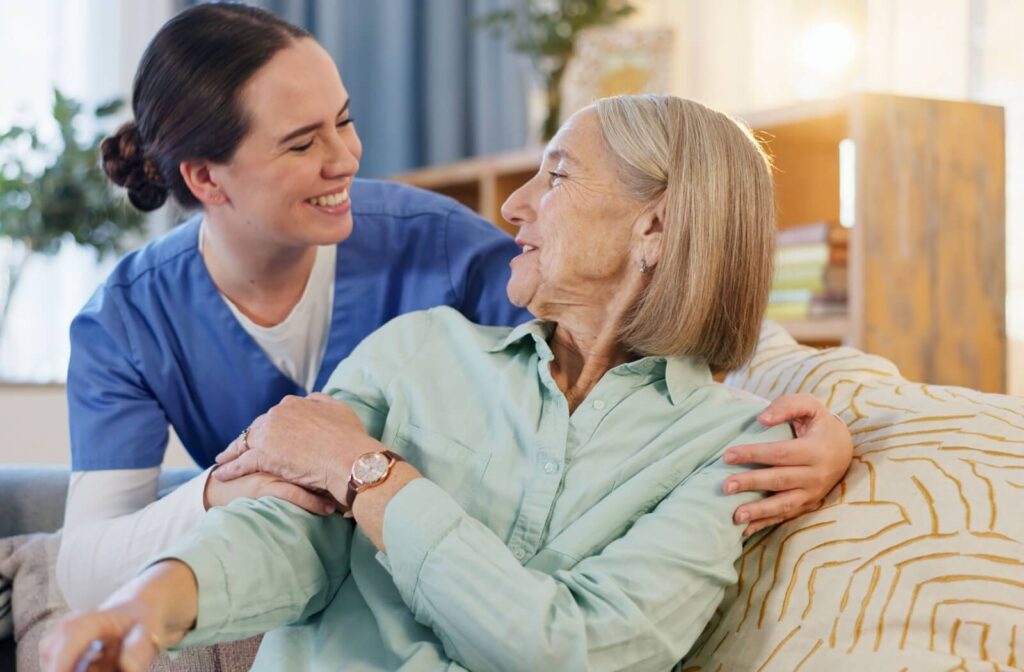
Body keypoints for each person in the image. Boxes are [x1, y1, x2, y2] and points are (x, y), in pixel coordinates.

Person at [58, 3, 853, 614]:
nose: (347, 158)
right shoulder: (126, 321)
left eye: (345, 120)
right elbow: (86, 561)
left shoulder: (432, 244)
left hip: (423, 581)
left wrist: (809, 417)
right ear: (205, 179)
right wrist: (217, 493)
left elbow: (651, 311)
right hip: (270, 574)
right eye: (302, 144)